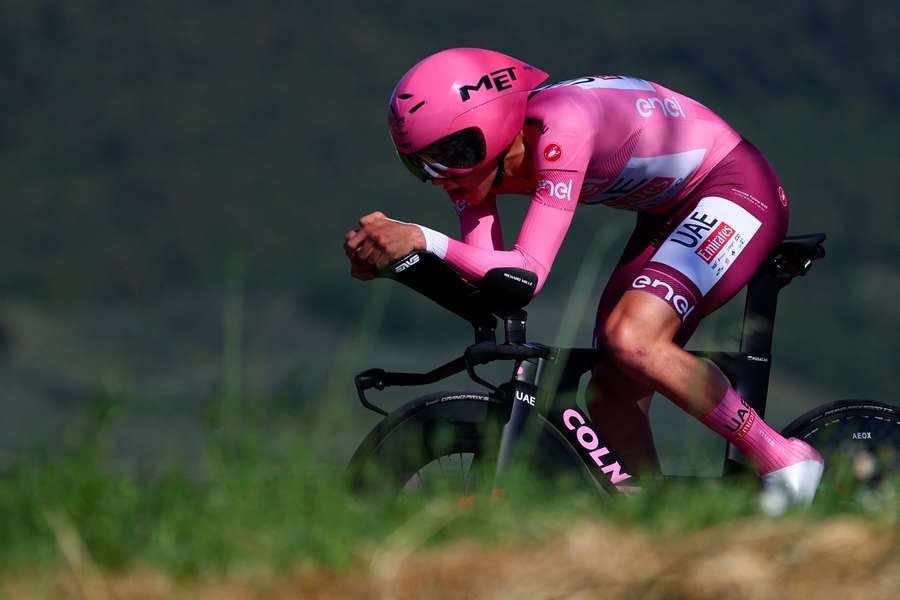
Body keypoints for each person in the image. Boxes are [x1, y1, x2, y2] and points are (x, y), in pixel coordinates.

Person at [344, 48, 823, 505]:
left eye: (450, 151)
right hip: (666, 212)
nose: (440, 174)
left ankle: (785, 458)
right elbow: (493, 283)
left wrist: (422, 239)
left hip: (733, 185)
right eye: (420, 164)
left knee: (633, 337)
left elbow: (527, 274)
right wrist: (400, 264)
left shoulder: (563, 126)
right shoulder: (472, 169)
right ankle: (652, 514)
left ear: (489, 125)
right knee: (609, 389)